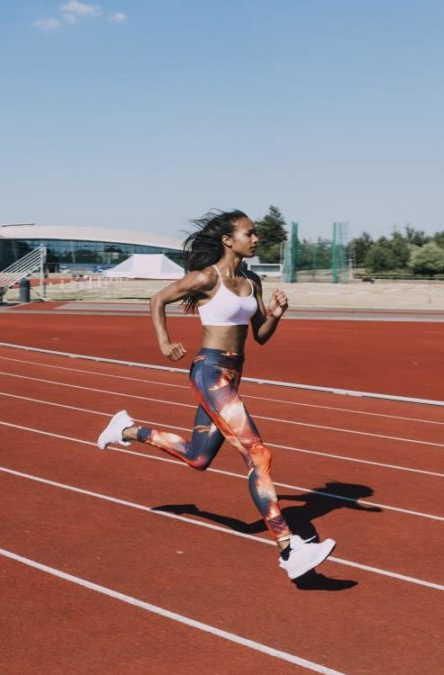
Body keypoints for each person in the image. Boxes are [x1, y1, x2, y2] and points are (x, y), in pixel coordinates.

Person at [96, 209, 335, 580]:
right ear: (228, 240)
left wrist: (275, 314)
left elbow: (261, 336)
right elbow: (157, 300)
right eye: (250, 234)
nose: (256, 239)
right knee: (257, 451)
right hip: (209, 372)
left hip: (232, 375)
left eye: (256, 234)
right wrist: (164, 342)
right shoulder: (207, 278)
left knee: (198, 457)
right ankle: (289, 548)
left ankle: (126, 430)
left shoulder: (252, 281)